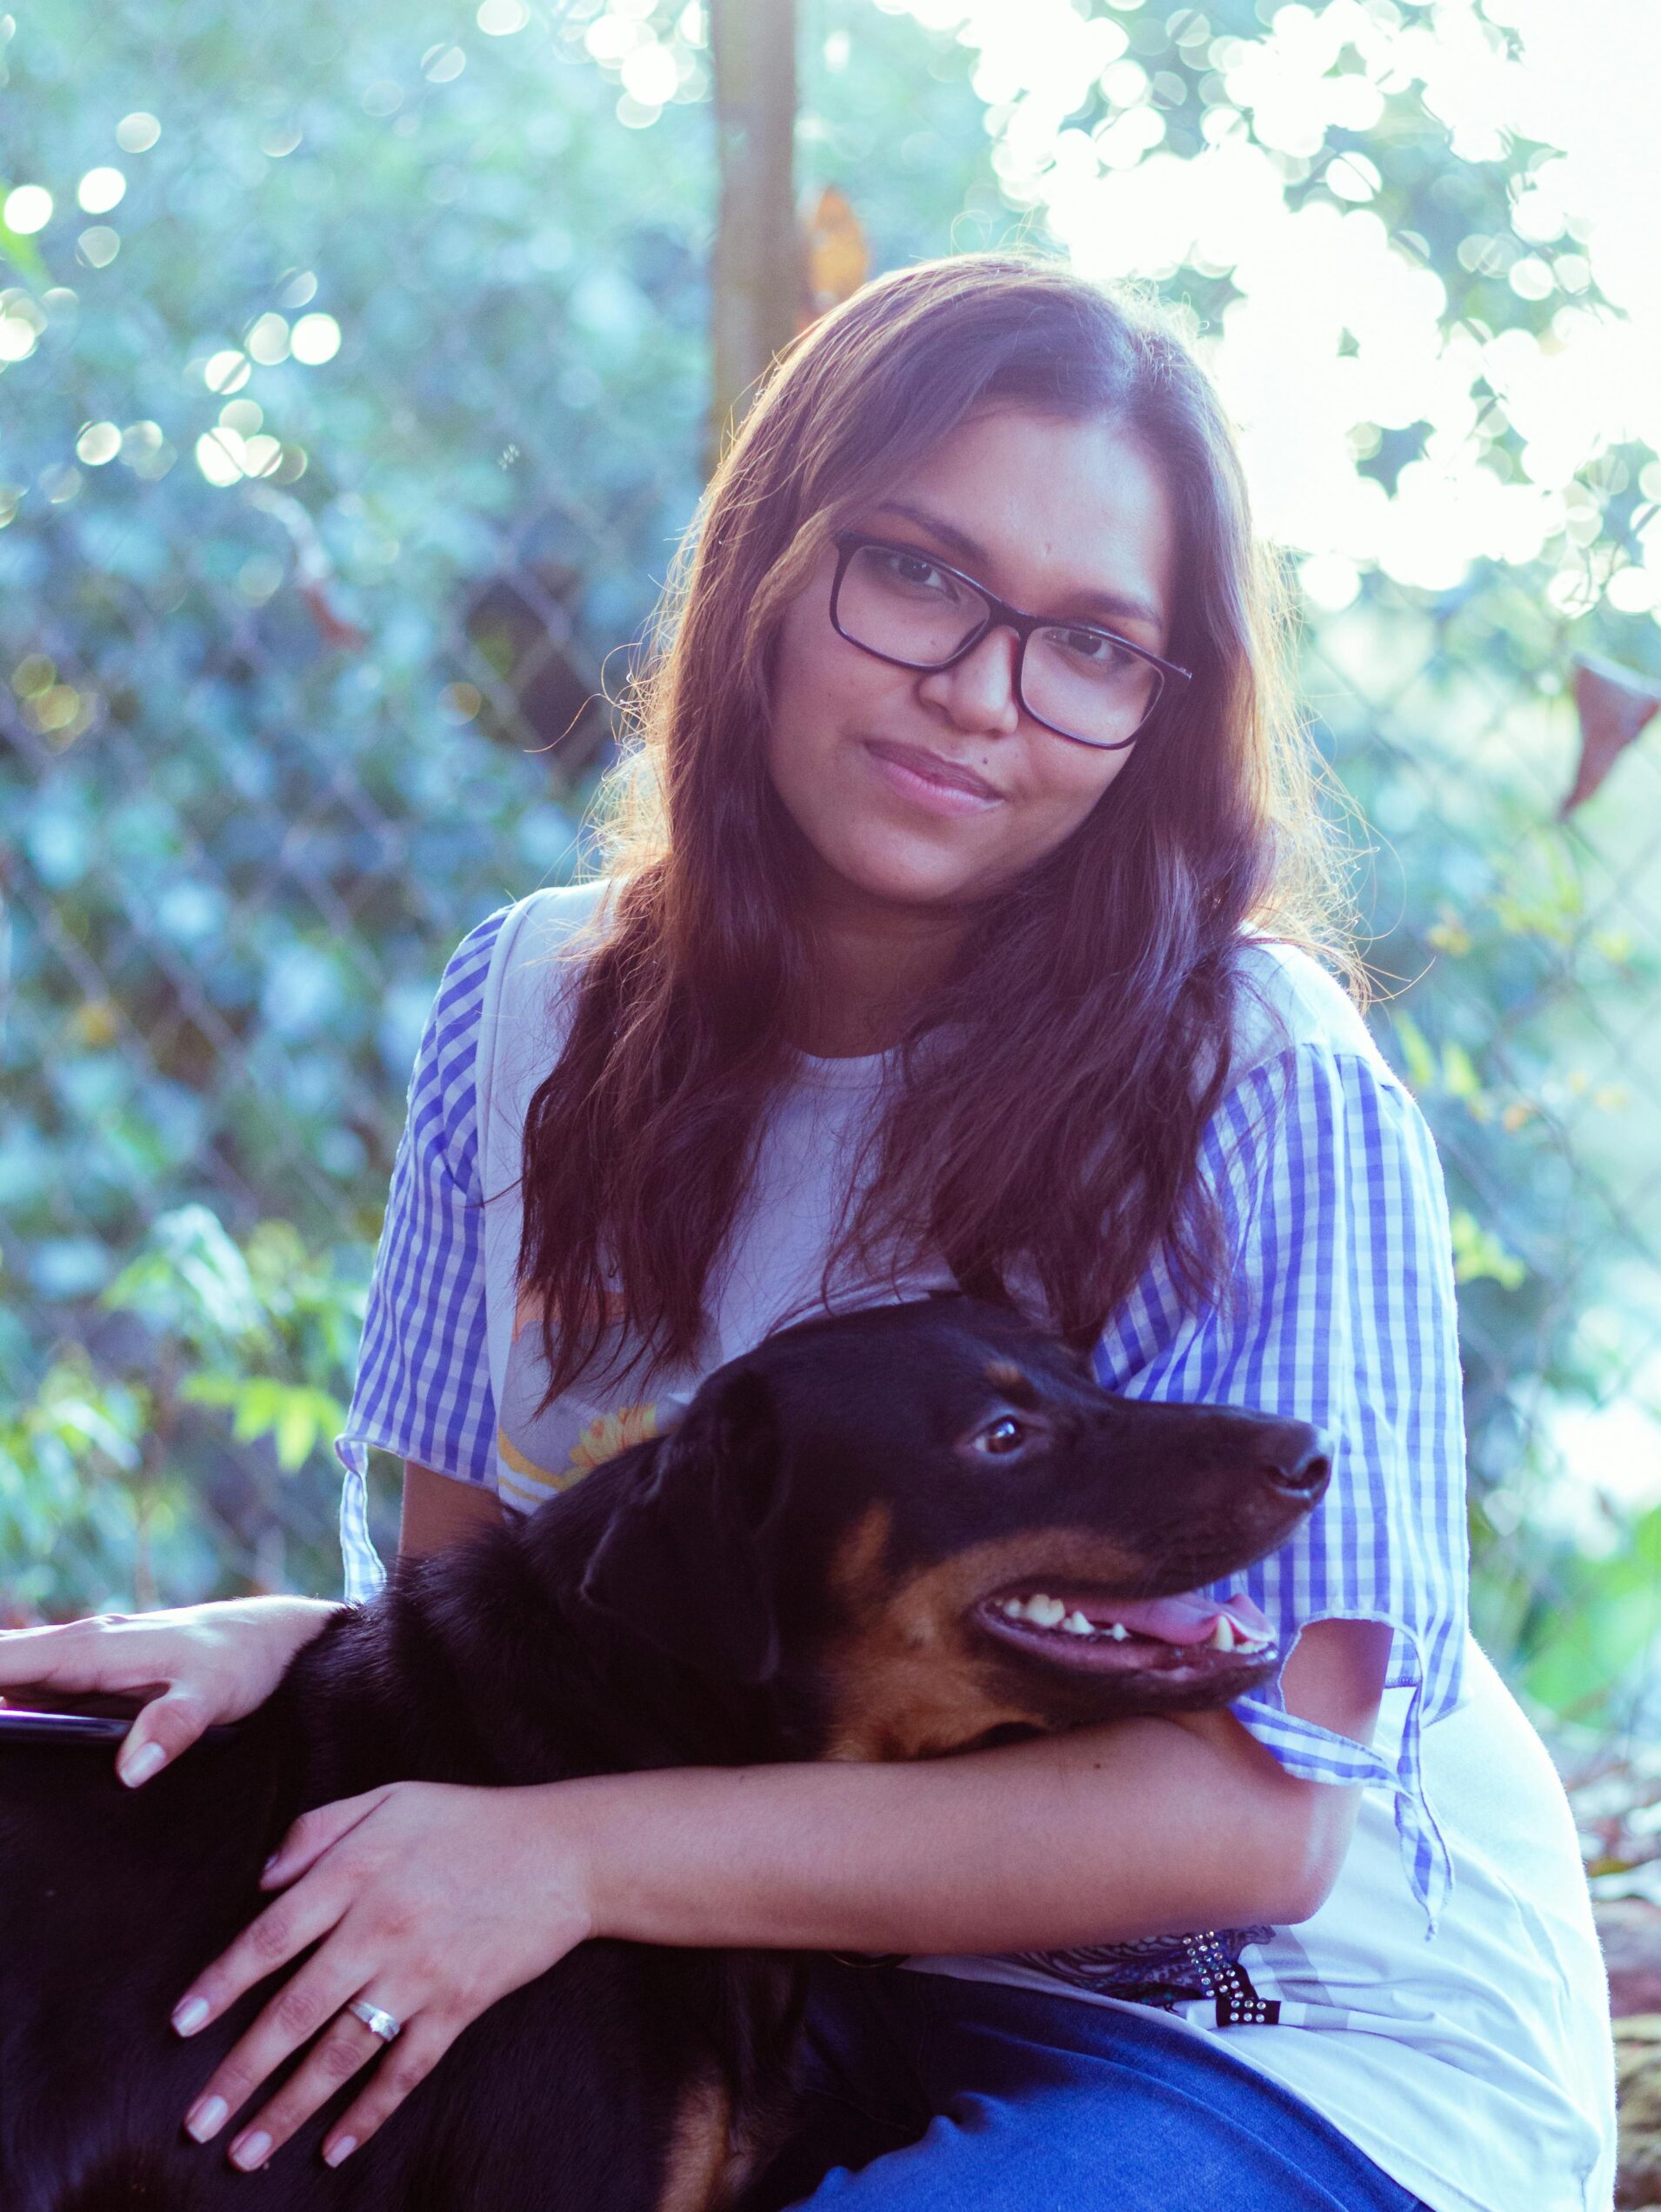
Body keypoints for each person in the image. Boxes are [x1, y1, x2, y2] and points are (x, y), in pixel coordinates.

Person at [0, 256, 1614, 2211]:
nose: (980, 689)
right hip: (789, 1958)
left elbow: (1252, 1822)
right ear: (770, 556)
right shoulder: (525, 1010)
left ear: (1162, 710)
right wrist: (299, 1641)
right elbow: (508, 1616)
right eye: (920, 573)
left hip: (1284, 2032)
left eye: (1095, 643)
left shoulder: (1252, 1070)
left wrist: (579, 1857)